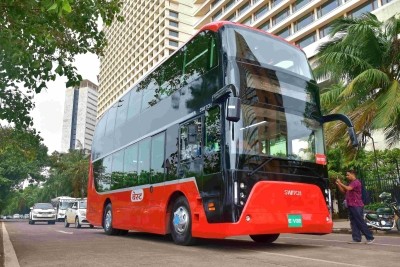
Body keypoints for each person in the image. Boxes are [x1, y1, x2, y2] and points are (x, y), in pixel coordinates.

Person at [336, 170, 375, 244]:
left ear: (352, 174)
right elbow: (344, 192)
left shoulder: (356, 182)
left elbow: (348, 188)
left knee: (360, 221)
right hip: (351, 205)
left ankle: (370, 237)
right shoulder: (350, 183)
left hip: (357, 205)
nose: (347, 176)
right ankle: (356, 238)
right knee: (353, 222)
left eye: (348, 175)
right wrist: (338, 184)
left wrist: (341, 183)